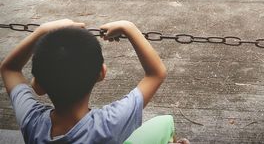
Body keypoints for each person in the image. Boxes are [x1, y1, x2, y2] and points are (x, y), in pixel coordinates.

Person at [0, 19, 189, 144]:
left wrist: (42, 31)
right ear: (102, 73)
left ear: (38, 85)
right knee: (165, 122)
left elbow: (9, 69)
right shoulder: (110, 123)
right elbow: (156, 73)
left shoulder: (32, 122)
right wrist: (128, 27)